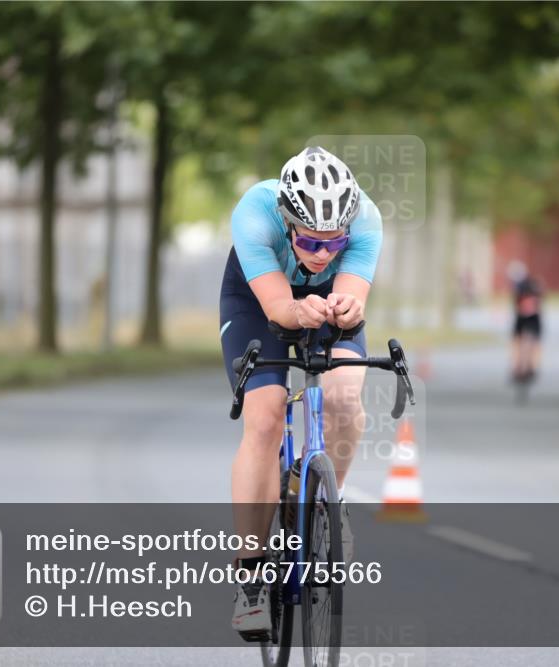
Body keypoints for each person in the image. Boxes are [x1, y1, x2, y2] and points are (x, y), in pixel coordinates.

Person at [220, 147, 382, 639]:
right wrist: (297, 310)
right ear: (288, 221)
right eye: (310, 241)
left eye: (335, 243)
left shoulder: (367, 220)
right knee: (266, 418)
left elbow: (353, 299)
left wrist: (348, 310)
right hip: (257, 299)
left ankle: (328, 500)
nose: (321, 253)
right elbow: (277, 307)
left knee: (344, 398)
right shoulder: (254, 211)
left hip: (329, 299)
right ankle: (251, 578)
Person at [507, 260, 543, 381]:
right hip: (531, 317)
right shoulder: (534, 285)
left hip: (525, 317)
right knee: (530, 342)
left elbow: (518, 303)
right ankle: (529, 366)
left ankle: (522, 366)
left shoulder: (521, 287)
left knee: (521, 342)